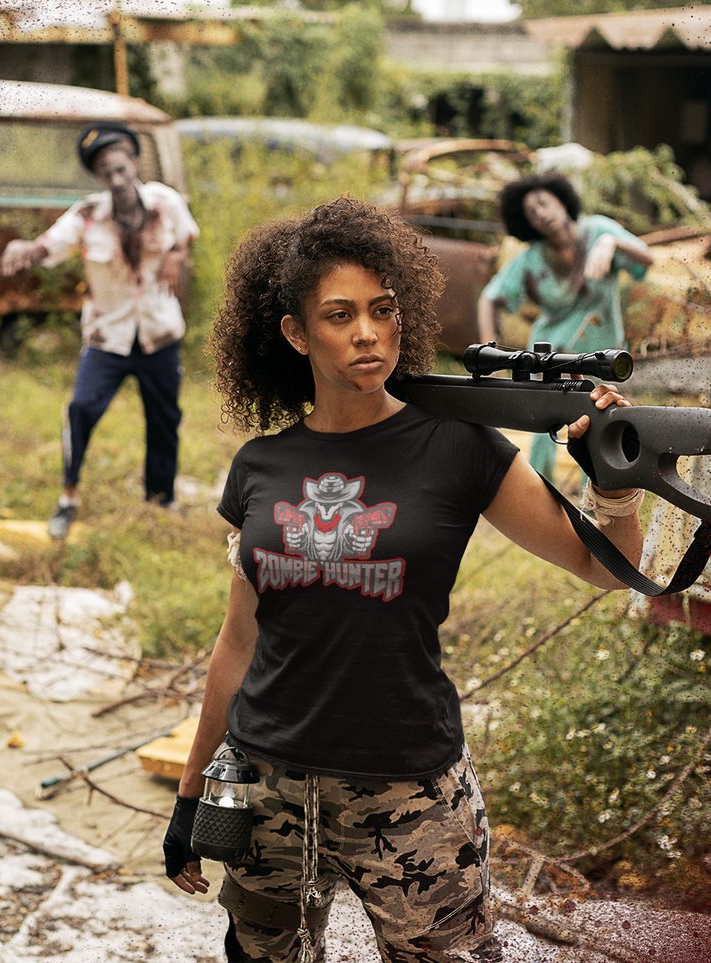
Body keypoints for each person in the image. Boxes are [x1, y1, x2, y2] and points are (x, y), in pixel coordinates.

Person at [161, 198, 647, 963]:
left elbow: (604, 566)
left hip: (411, 791)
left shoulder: (458, 446)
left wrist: (615, 487)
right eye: (339, 315)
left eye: (382, 309)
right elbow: (238, 641)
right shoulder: (259, 466)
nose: (366, 332)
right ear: (295, 333)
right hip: (267, 787)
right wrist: (191, 791)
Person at [0, 121, 199, 538]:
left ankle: (160, 499)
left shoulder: (166, 202)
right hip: (108, 337)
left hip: (160, 332)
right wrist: (25, 249)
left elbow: (187, 235)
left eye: (121, 168)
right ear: (98, 176)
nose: (116, 178)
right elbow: (49, 245)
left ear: (135, 163)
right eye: (106, 172)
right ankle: (68, 496)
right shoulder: (88, 214)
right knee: (82, 409)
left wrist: (177, 255)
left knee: (164, 417)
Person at [476, 172, 652, 482]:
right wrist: (491, 354)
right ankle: (540, 492)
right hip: (551, 358)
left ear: (561, 198)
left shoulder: (599, 231)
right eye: (531, 213)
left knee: (603, 425)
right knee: (545, 427)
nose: (541, 214)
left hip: (601, 356)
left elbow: (647, 259)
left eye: (543, 203)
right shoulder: (532, 259)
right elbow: (489, 297)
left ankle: (597, 495)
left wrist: (612, 243)